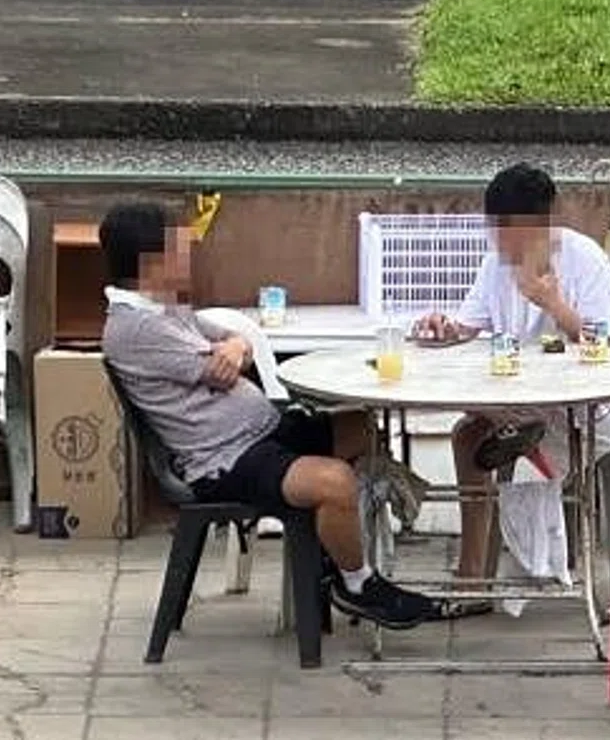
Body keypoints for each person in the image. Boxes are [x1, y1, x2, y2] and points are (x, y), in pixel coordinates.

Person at [97, 202, 438, 631]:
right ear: (153, 262)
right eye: (179, 247)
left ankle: (334, 547)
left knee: (360, 427)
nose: (190, 255)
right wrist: (235, 351)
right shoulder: (136, 329)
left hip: (262, 431)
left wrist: (237, 343)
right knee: (335, 481)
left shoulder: (162, 308)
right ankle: (358, 585)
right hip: (222, 460)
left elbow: (230, 340)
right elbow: (222, 372)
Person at [411, 163, 610, 582]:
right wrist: (444, 326)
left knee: (488, 429)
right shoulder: (497, 264)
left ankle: (525, 445)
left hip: (588, 406)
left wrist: (557, 307)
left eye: (514, 229)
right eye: (498, 228)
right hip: (522, 397)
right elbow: (468, 327)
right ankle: (473, 574)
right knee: (467, 432)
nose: (505, 240)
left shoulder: (584, 259)